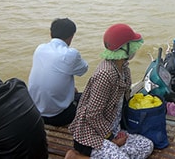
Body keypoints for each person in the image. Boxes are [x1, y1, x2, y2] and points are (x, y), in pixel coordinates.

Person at [66, 24, 154, 159]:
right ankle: (75, 157)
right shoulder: (105, 74)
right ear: (123, 49)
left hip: (113, 127)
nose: (135, 49)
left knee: (146, 146)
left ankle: (112, 153)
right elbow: (92, 114)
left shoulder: (124, 68)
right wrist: (111, 138)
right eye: (132, 45)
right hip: (93, 134)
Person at [29, 18, 89, 126]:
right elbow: (84, 69)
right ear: (71, 37)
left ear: (51, 33)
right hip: (58, 117)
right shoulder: (70, 54)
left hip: (35, 113)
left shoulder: (40, 49)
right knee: (89, 98)